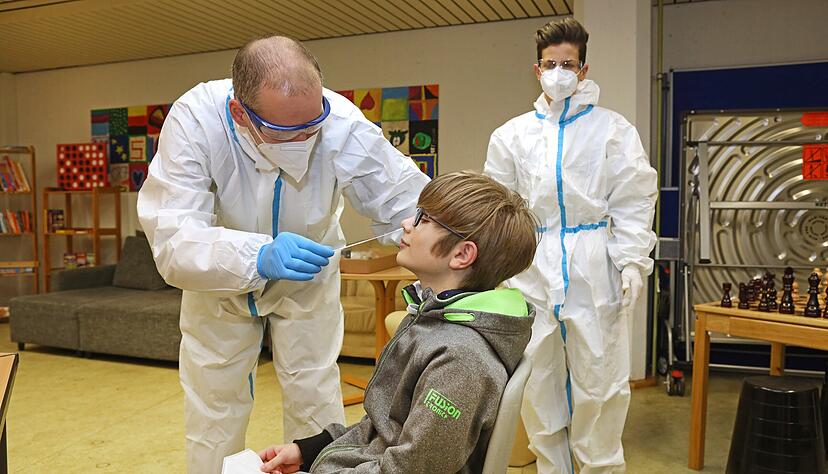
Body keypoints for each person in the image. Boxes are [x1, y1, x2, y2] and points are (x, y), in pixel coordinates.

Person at [136, 36, 429, 473]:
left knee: (315, 396)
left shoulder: (340, 121)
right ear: (240, 114)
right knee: (213, 407)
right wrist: (255, 256)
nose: (306, 138)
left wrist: (448, 236)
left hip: (308, 274)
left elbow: (407, 201)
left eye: (313, 125)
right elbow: (172, 236)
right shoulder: (197, 119)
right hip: (217, 278)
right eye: (286, 133)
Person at [255, 171, 539, 473]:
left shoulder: (460, 361)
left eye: (423, 219)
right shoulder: (434, 323)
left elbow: (408, 469)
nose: (406, 223)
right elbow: (385, 426)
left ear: (462, 254)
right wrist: (309, 451)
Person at [484, 18, 658, 474]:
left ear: (583, 70)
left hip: (593, 263)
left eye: (568, 64)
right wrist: (497, 269)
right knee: (537, 381)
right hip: (531, 266)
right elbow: (497, 207)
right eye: (550, 64)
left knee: (600, 382)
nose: (558, 72)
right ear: (536, 69)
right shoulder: (512, 135)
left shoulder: (612, 130)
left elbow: (634, 197)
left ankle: (601, 467)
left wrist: (632, 261)